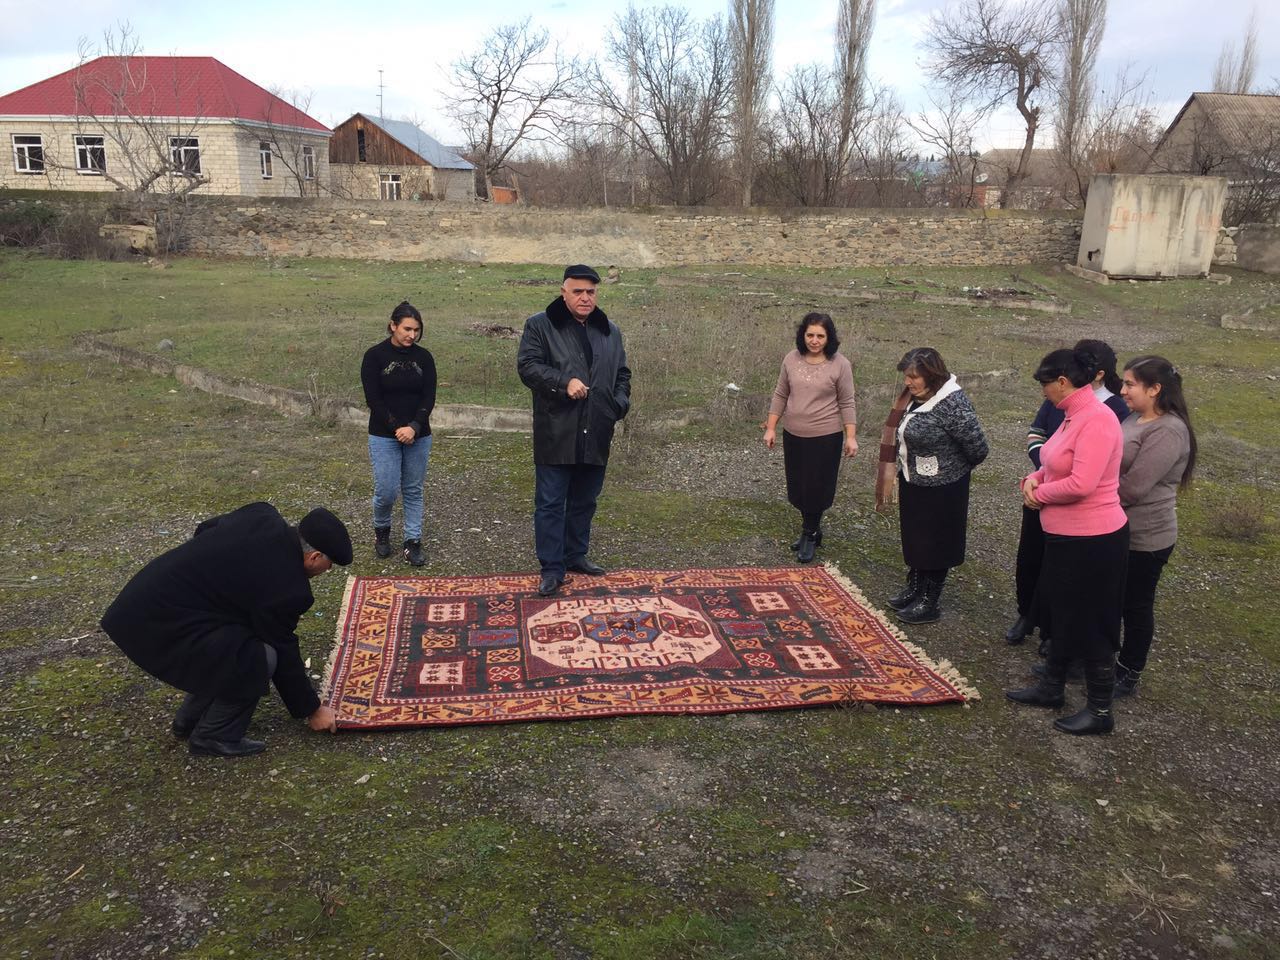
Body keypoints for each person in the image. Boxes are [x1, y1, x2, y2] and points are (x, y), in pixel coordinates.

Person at [100, 502, 352, 757]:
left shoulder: (260, 515)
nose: (326, 571)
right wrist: (312, 709)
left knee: (228, 642)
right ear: (314, 556)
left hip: (141, 599)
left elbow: (205, 529)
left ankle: (189, 719)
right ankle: (214, 735)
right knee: (257, 657)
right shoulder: (289, 588)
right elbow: (282, 648)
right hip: (158, 624)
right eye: (329, 566)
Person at [1006, 348, 1128, 736]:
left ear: (1062, 381)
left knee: (1093, 619)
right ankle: (1051, 687)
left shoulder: (1098, 420)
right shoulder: (1072, 414)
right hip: (1064, 535)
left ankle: (1100, 709)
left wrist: (1038, 495)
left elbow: (1083, 483)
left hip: (1093, 539)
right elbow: (1053, 460)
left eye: (1044, 384)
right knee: (1061, 610)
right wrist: (1035, 477)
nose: (1042, 392)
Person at [517, 264, 631, 597]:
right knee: (551, 502)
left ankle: (575, 555)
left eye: (591, 292)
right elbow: (528, 367)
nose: (585, 298)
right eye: (578, 291)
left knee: (584, 500)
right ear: (563, 291)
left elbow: (622, 373)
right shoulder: (540, 325)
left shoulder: (610, 330)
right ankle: (552, 568)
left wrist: (617, 405)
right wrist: (563, 383)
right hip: (557, 429)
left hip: (596, 428)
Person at [876, 347, 988, 624]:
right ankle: (915, 587)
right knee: (917, 538)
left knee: (937, 543)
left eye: (914, 377)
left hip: (945, 487)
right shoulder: (913, 398)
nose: (908, 382)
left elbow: (978, 448)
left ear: (932, 375)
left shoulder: (953, 403)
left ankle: (930, 600)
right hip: (915, 481)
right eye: (906, 376)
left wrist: (950, 469)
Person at [1115, 355, 1196, 697]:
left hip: (1146, 536)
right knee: (1111, 598)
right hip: (1117, 527)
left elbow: (1133, 488)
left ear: (1155, 388)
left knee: (1135, 604)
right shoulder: (1136, 417)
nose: (1123, 390)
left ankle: (1129, 670)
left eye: (1130, 384)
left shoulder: (1169, 431)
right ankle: (1101, 658)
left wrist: (1084, 489)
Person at [763, 313, 858, 563]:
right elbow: (780, 393)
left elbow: (847, 401)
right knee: (799, 485)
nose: (814, 341)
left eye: (820, 336)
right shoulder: (790, 359)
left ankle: (810, 532)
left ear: (829, 338)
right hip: (794, 435)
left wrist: (851, 436)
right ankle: (812, 528)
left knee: (817, 486)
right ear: (802, 335)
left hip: (825, 437)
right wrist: (771, 427)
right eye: (810, 335)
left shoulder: (840, 365)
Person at [361, 301, 437, 566]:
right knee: (387, 490)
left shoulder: (424, 358)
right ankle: (381, 531)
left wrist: (414, 427)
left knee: (413, 490)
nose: (411, 335)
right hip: (384, 435)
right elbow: (374, 399)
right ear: (393, 326)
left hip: (419, 435)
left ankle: (412, 541)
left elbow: (429, 396)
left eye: (416, 330)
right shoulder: (374, 356)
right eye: (406, 329)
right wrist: (397, 428)